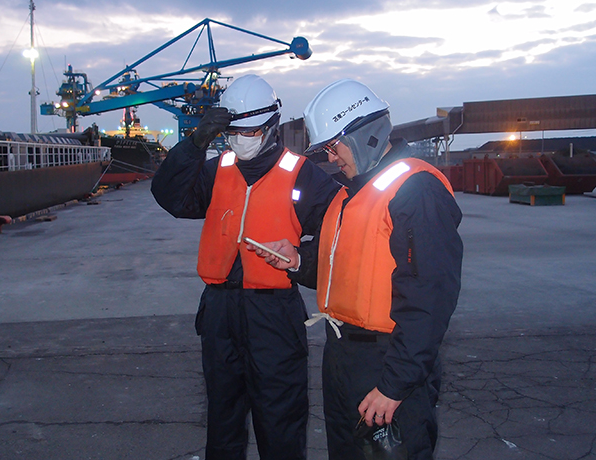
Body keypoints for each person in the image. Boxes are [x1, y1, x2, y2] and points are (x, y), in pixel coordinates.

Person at [251, 79, 463, 459]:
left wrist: (394, 386)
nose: (331, 159)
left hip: (386, 364)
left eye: (333, 147)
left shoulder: (416, 191)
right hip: (343, 359)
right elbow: (345, 270)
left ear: (366, 133)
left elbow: (430, 299)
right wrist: (298, 260)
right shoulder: (349, 194)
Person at [150, 74, 341, 460]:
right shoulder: (215, 169)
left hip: (274, 316)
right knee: (223, 423)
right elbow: (170, 197)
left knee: (280, 424)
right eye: (234, 131)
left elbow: (340, 231)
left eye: (251, 130)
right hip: (220, 314)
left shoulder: (302, 173)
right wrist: (194, 144)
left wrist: (301, 259)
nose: (241, 138)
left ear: (271, 127)